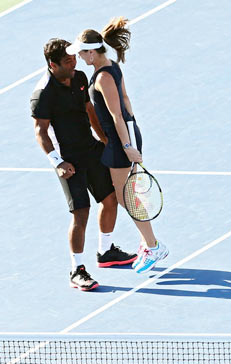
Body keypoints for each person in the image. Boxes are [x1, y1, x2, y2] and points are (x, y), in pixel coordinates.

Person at [31, 38, 138, 291]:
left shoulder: (79, 78)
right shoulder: (43, 94)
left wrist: (106, 140)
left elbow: (89, 111)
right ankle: (76, 270)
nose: (74, 63)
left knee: (110, 199)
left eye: (74, 58)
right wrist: (58, 161)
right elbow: (41, 131)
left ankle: (106, 251)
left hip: (91, 150)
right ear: (52, 64)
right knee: (81, 213)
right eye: (68, 61)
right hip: (68, 160)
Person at [66, 17, 169, 275]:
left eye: (81, 52)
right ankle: (149, 242)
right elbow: (126, 101)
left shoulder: (102, 77)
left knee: (127, 199)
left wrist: (126, 145)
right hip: (126, 136)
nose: (79, 56)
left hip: (119, 142)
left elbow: (116, 115)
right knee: (127, 196)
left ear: (92, 52)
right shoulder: (111, 66)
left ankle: (154, 246)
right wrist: (133, 136)